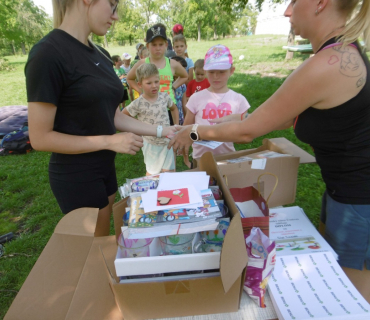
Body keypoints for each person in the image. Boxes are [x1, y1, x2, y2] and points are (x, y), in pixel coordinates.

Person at [169, 0, 370, 303]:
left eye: (292, 2)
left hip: (358, 199)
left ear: (320, 3)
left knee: (348, 290)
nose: (287, 11)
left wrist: (194, 131)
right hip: (345, 192)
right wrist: (206, 124)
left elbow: (249, 130)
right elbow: (265, 117)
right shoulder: (339, 53)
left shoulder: (327, 64)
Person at [25, 0, 178, 237]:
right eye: (113, 5)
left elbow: (113, 115)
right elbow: (40, 138)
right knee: (91, 252)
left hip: (104, 168)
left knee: (105, 239)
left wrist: (162, 131)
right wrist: (109, 142)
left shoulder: (101, 53)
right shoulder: (47, 54)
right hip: (76, 176)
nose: (115, 16)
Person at [181, 44, 250, 168]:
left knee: (226, 186)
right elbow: (186, 128)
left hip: (227, 159)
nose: (216, 76)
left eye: (222, 72)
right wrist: (186, 157)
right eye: (212, 72)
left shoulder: (239, 100)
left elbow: (244, 136)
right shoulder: (196, 98)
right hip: (200, 160)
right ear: (206, 71)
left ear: (231, 71)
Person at [127, 23, 188, 125]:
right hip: (149, 108)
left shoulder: (172, 64)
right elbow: (129, 78)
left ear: (166, 45)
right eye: (154, 45)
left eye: (161, 44)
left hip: (169, 108)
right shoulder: (142, 63)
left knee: (170, 136)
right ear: (147, 46)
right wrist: (141, 91)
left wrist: (173, 87)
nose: (158, 48)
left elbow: (185, 76)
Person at [123, 64, 178, 175]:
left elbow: (174, 109)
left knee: (170, 172)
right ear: (140, 84)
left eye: (156, 81)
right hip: (150, 145)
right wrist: (136, 128)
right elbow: (123, 116)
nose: (154, 86)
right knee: (153, 175)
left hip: (168, 141)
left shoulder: (165, 97)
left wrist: (176, 126)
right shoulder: (137, 103)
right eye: (149, 83)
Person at [170, 56, 187, 125]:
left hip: (180, 117)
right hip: (169, 116)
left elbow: (184, 103)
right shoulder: (167, 83)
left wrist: (187, 119)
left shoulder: (182, 85)